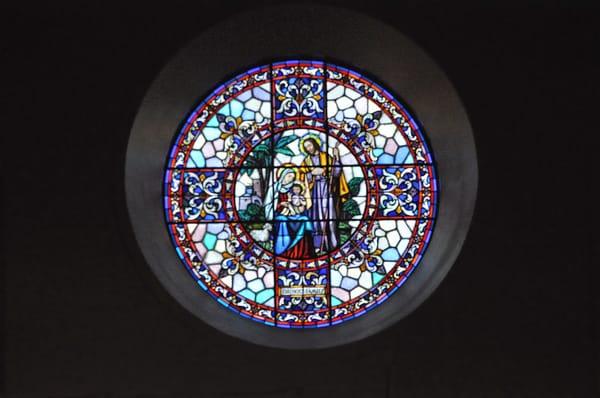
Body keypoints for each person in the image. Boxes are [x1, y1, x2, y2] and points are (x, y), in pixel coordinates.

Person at [299, 136, 349, 254]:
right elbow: (300, 179)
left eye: (310, 145)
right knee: (315, 220)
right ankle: (318, 246)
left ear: (315, 144)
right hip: (313, 193)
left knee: (330, 217)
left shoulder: (326, 157)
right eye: (306, 147)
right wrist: (311, 173)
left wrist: (337, 157)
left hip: (327, 189)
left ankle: (333, 245)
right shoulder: (305, 162)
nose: (309, 148)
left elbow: (336, 173)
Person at [264, 168, 315, 258]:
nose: (291, 178)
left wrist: (296, 205)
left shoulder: (293, 188)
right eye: (289, 176)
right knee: (283, 220)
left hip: (293, 213)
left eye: (293, 177)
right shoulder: (275, 188)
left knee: (304, 219)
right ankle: (283, 250)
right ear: (283, 176)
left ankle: (303, 252)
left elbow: (298, 203)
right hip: (279, 214)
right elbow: (269, 205)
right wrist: (280, 205)